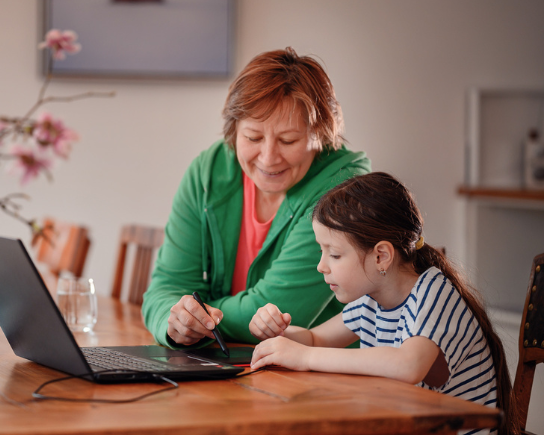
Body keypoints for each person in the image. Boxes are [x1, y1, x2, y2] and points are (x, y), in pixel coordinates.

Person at [249, 172, 516, 435]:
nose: (321, 266)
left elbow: (408, 365)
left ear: (381, 257)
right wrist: (278, 333)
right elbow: (314, 339)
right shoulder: (371, 300)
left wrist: (305, 357)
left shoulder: (433, 292)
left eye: (334, 254)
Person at [141, 47, 371, 348]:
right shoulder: (207, 172)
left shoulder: (344, 189)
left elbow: (275, 311)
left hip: (327, 377)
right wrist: (174, 323)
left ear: (321, 136)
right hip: (234, 367)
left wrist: (202, 316)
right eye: (253, 137)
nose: (268, 157)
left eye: (288, 140)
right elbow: (166, 288)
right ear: (233, 130)